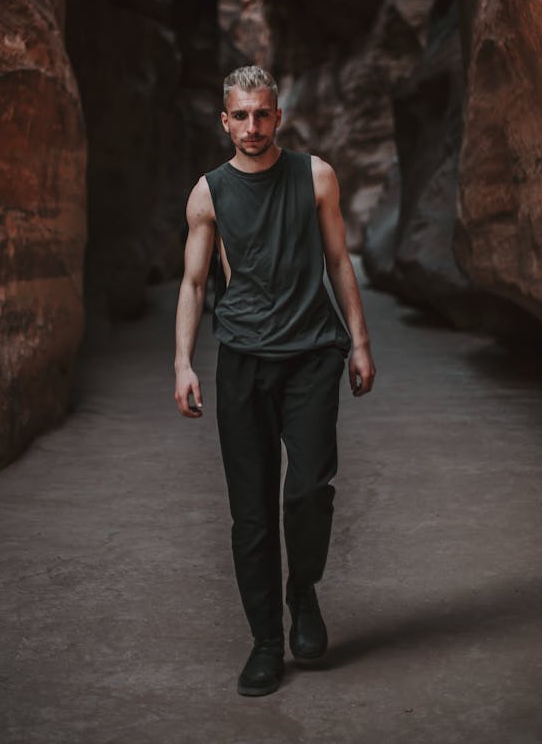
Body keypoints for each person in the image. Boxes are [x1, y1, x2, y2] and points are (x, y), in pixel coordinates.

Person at [174, 65, 377, 697]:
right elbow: (194, 283)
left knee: (309, 490)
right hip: (243, 362)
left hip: (313, 354)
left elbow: (340, 261)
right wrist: (182, 362)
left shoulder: (314, 176)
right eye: (241, 115)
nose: (253, 126)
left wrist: (361, 343)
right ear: (225, 120)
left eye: (263, 114)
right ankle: (266, 640)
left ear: (278, 115)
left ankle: (303, 592)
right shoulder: (208, 194)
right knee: (253, 513)